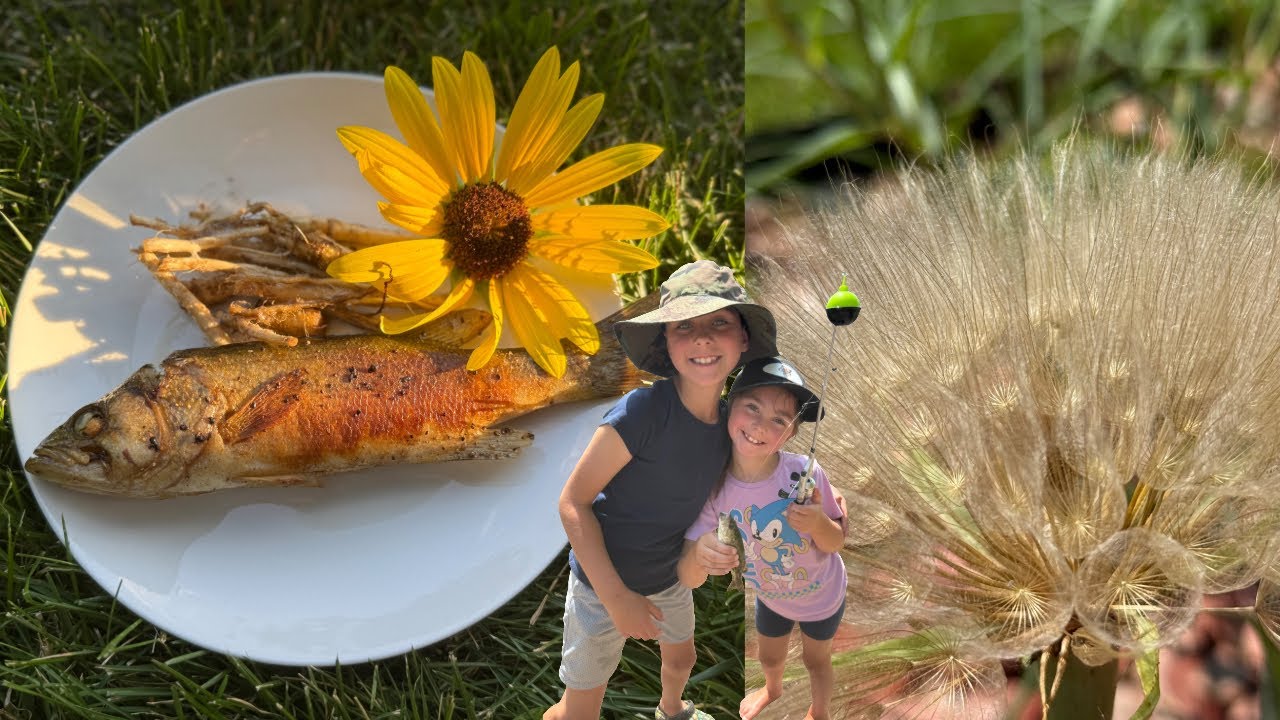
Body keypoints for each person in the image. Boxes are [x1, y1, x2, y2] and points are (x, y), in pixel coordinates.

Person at [544, 260, 778, 720]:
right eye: (684, 326)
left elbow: (758, 478)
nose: (703, 338)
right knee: (581, 705)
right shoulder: (643, 411)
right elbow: (573, 503)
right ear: (665, 342)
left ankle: (672, 709)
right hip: (602, 582)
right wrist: (617, 598)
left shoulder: (732, 425)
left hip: (667, 573)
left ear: (743, 338)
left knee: (682, 657)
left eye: (719, 323)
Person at [680, 356, 847, 720]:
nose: (760, 425)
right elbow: (690, 577)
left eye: (779, 420)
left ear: (791, 433)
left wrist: (818, 523)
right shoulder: (712, 487)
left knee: (816, 661)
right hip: (770, 597)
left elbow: (835, 543)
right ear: (728, 409)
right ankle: (772, 688)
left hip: (822, 595)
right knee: (770, 657)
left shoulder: (805, 474)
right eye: (751, 408)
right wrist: (700, 556)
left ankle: (819, 713)